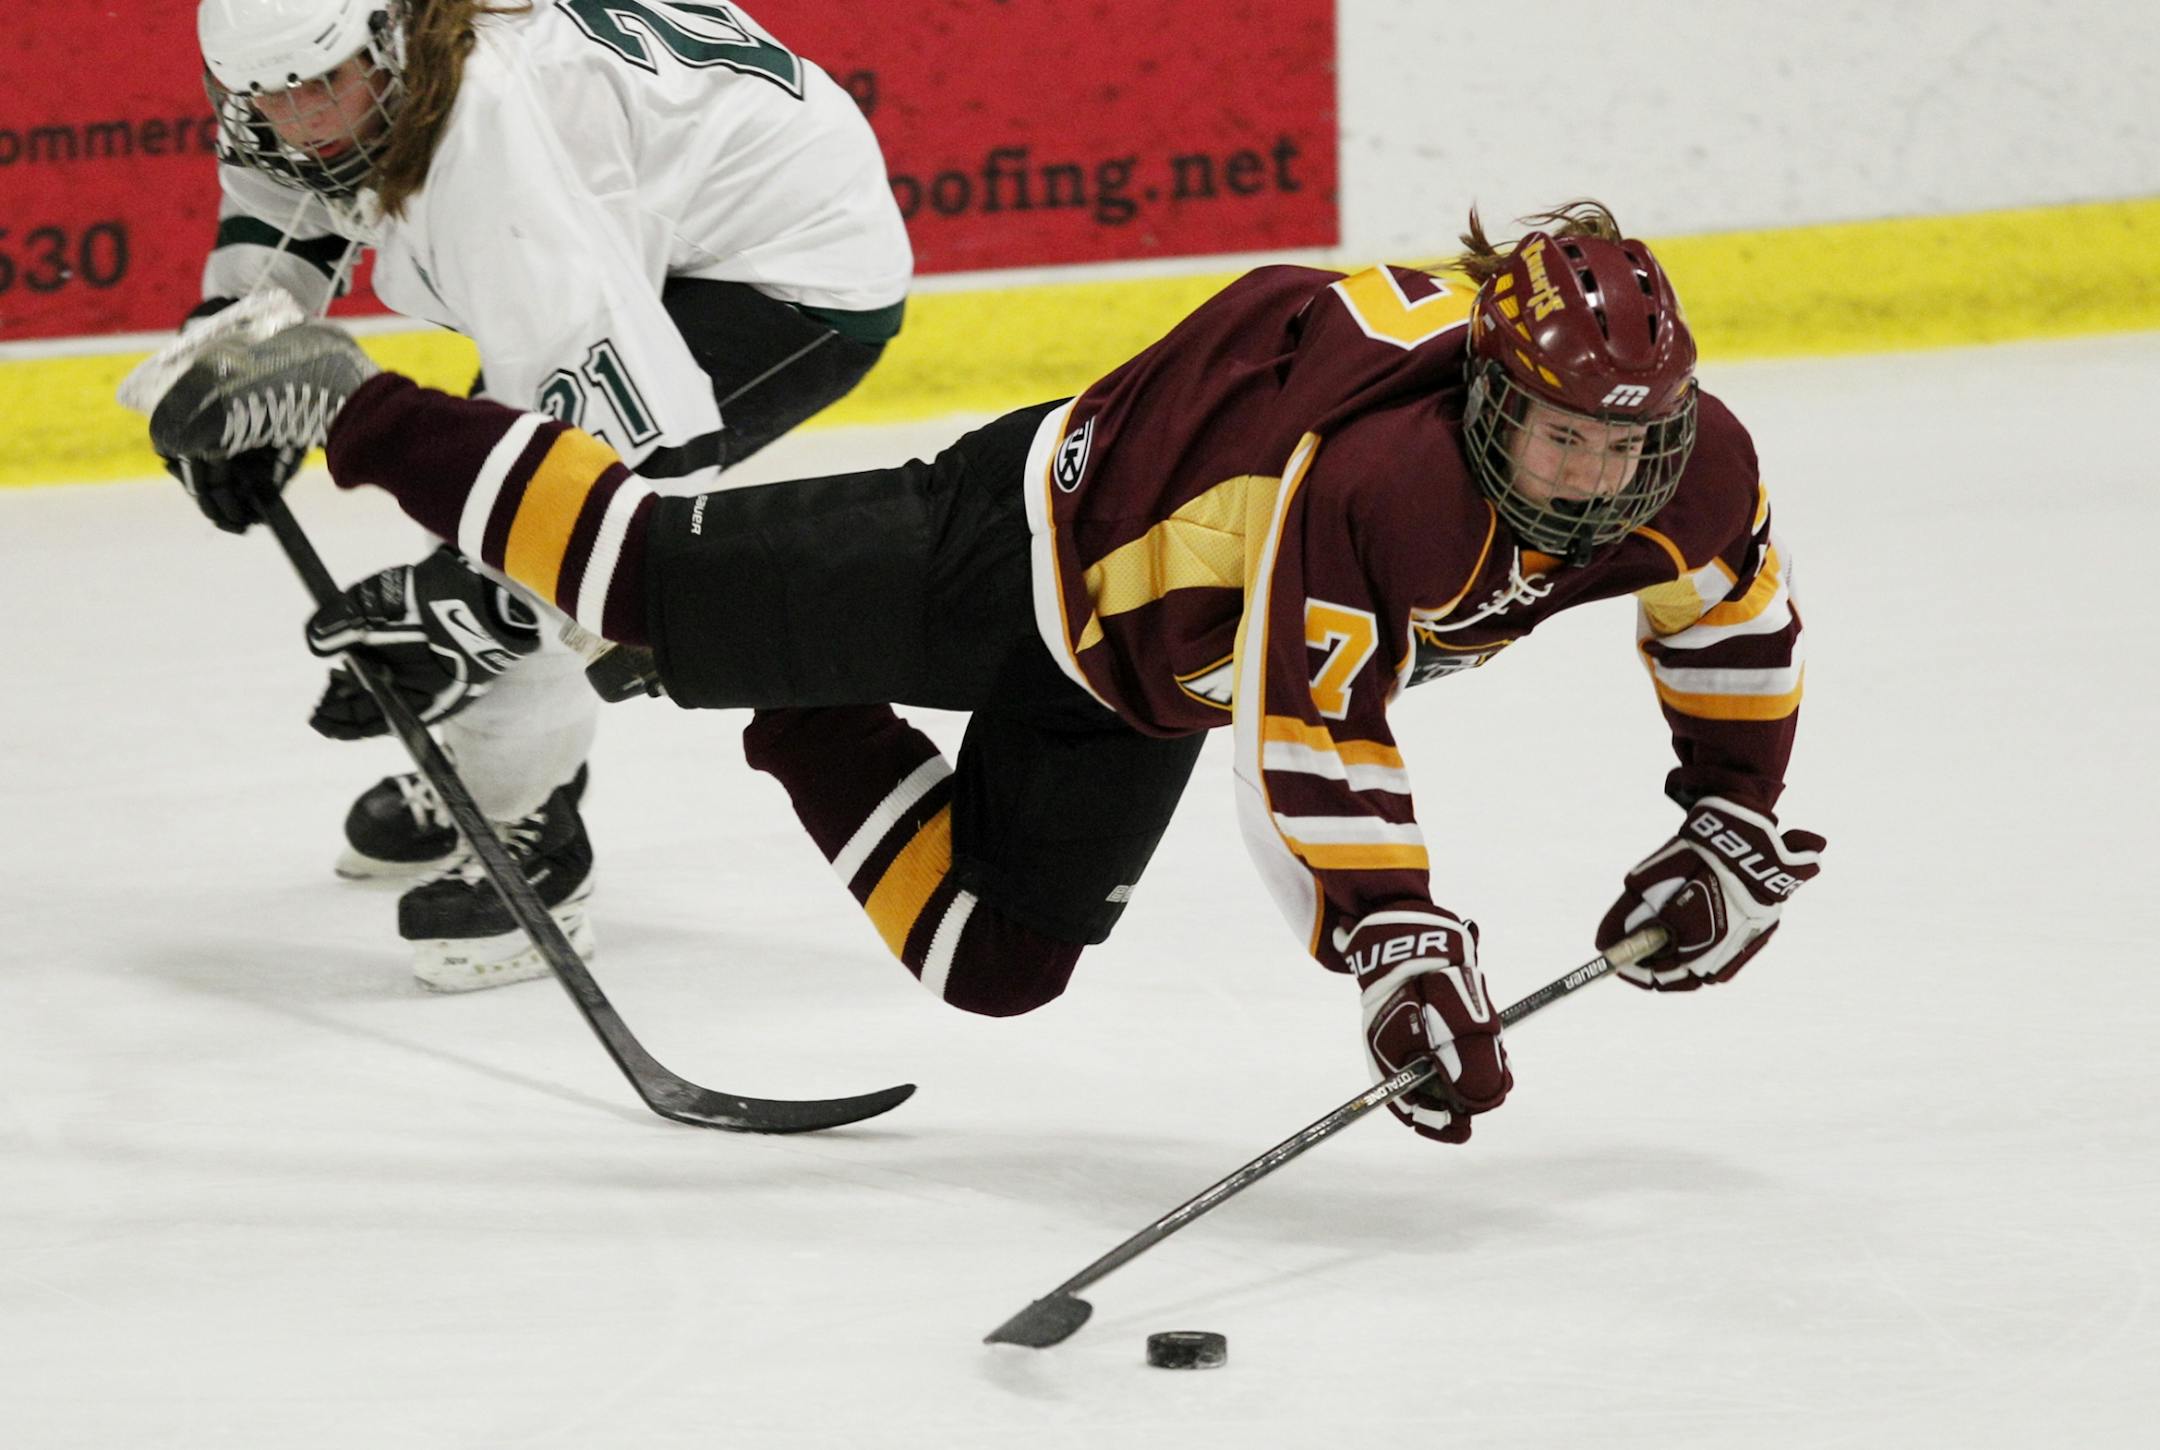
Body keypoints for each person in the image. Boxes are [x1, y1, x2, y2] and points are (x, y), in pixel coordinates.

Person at [151, 202, 1825, 1144]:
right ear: (1487, 404)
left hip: (1139, 679)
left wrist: (1732, 820)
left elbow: (1736, 615)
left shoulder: (1690, 466)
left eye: (1631, 443)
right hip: (1015, 546)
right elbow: (1319, 736)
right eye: (1560, 435)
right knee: (653, 567)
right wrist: (1397, 950)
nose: (1600, 480)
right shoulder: (1386, 482)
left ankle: (776, 682)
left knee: (1000, 961)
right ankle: (339, 397)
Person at [167, 0, 913, 990]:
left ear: (389, 44)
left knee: (531, 526)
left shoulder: (494, 139)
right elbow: (280, 183)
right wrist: (241, 342)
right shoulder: (377, 58)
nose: (301, 120)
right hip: (673, 211)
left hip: (786, 277)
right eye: (270, 97)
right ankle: (490, 769)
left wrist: (464, 610)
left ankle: (539, 842)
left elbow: (609, 481)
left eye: (323, 86)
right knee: (483, 510)